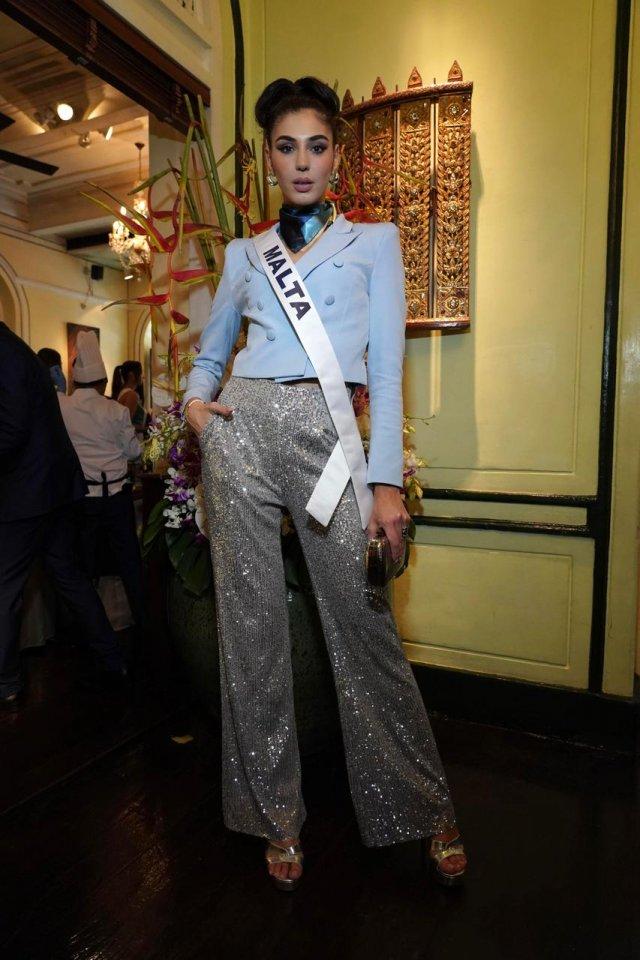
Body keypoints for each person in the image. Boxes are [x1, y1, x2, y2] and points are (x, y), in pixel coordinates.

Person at [182, 76, 467, 891]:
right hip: (240, 435)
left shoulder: (374, 243)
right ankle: (275, 816)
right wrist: (198, 409)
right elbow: (212, 353)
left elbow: (387, 365)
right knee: (251, 634)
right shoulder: (243, 256)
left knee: (364, 626)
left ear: (336, 155)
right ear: (270, 159)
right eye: (286, 147)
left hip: (329, 440)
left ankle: (424, 804)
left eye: (315, 145)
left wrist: (386, 485)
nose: (301, 162)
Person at [0, 322, 128, 708]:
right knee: (68, 576)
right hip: (52, 488)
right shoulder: (14, 347)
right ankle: (112, 657)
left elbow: (11, 429)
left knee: (5, 587)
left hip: (28, 492)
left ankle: (6, 681)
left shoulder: (4, 352)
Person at [59, 333, 146, 640]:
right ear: (103, 380)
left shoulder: (63, 407)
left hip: (82, 498)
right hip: (116, 498)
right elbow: (133, 452)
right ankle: (142, 628)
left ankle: (86, 631)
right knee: (129, 565)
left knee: (84, 567)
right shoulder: (115, 411)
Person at [111, 360, 147, 437]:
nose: (143, 376)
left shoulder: (123, 392)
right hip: (131, 440)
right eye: (140, 373)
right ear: (131, 375)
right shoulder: (131, 395)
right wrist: (149, 428)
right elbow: (126, 425)